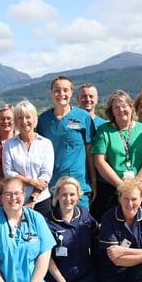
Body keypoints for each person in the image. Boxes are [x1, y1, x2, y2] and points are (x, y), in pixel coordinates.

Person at [44, 176, 100, 282]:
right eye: (64, 194)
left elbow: (98, 235)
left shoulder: (85, 215)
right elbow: (46, 257)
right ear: (57, 195)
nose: (68, 199)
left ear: (78, 196)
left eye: (72, 194)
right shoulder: (48, 221)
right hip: (58, 278)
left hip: (83, 276)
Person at [92, 90, 142, 218]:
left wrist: (136, 185)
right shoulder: (104, 131)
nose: (121, 110)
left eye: (124, 106)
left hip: (140, 189)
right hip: (111, 190)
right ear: (111, 111)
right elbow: (99, 162)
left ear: (131, 107)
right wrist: (121, 186)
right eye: (116, 107)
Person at [37, 76, 96, 207]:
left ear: (71, 92)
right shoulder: (43, 120)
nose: (61, 94)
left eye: (65, 90)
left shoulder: (83, 117)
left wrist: (94, 180)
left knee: (81, 224)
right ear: (51, 93)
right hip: (52, 187)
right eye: (57, 90)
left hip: (79, 185)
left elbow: (90, 151)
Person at [2, 100, 55, 216]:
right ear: (16, 121)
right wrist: (32, 182)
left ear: (34, 119)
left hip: (41, 200)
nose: (24, 121)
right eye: (20, 118)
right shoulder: (9, 144)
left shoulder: (46, 144)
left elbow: (46, 174)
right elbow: (8, 173)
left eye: (28, 117)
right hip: (15, 201)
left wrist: (33, 199)